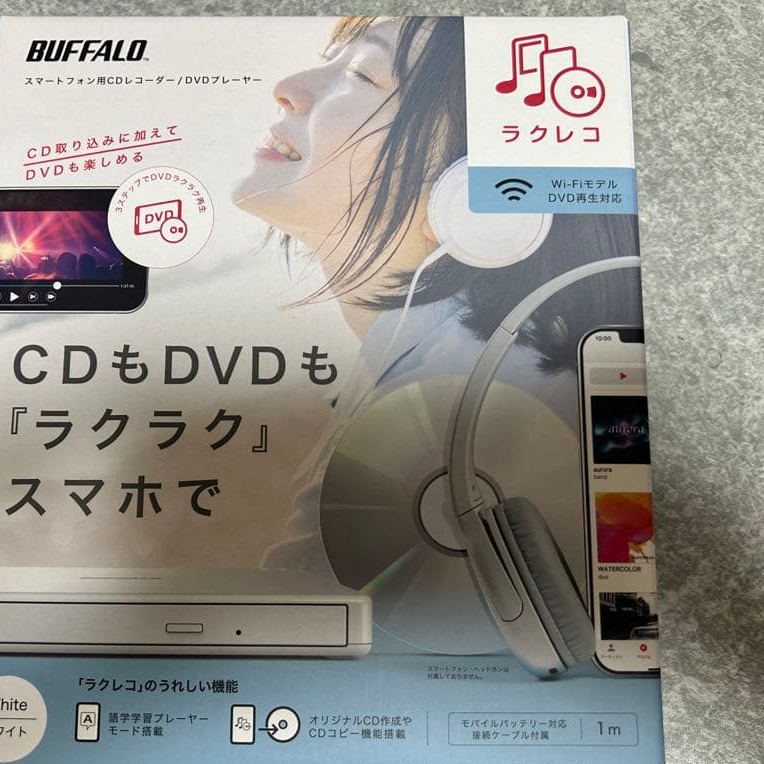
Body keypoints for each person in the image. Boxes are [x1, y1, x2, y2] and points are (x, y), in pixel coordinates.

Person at [231, 17, 643, 582]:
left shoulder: (461, 405)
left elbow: (305, 620)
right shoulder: (455, 362)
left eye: (362, 73)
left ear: (469, 201)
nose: (289, 87)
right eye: (332, 60)